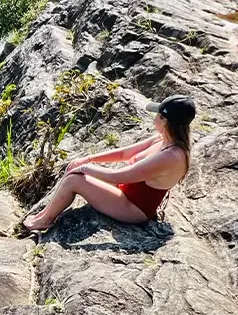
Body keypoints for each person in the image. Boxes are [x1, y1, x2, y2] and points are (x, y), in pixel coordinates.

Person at [22, 95, 195, 231]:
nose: (154, 116)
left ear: (165, 121)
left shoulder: (171, 156)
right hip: (124, 192)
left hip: (134, 209)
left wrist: (85, 168)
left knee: (74, 179)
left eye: (157, 113)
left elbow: (120, 176)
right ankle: (44, 214)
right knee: (77, 173)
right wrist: (88, 159)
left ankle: (45, 221)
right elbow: (124, 153)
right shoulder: (163, 139)